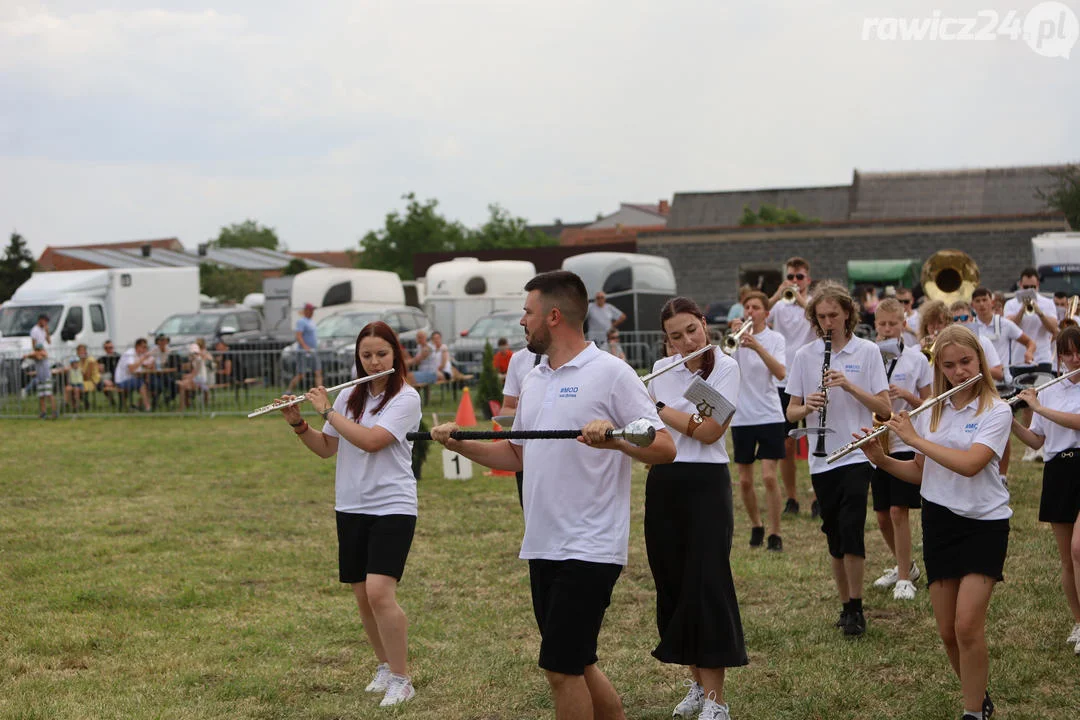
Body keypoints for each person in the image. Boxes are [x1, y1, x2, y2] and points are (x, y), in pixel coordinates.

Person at [430, 270, 676, 720]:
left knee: (560, 670)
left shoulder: (612, 374)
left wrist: (616, 439)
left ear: (554, 316)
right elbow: (517, 454)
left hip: (590, 547)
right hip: (543, 544)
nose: (522, 322)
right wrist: (460, 443)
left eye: (527, 312)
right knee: (577, 662)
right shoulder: (535, 377)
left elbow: (664, 447)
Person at [862, 325, 1010, 720]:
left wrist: (912, 438)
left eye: (966, 362)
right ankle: (978, 697)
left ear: (978, 359)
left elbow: (970, 464)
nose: (960, 371)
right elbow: (920, 472)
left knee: (966, 626)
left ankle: (971, 713)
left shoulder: (997, 409)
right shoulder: (932, 411)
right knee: (947, 632)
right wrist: (882, 460)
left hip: (984, 524)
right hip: (939, 521)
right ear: (939, 369)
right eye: (950, 365)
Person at [278, 320, 422, 707]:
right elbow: (328, 448)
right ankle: (384, 666)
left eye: (382, 354)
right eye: (367, 355)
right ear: (358, 358)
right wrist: (299, 424)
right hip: (351, 505)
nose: (374, 362)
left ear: (395, 355)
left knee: (379, 592)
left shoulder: (405, 398)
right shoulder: (350, 398)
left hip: (392, 504)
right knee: (361, 594)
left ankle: (402, 678)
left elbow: (373, 442)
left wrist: (327, 411)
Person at [646, 297, 746, 720]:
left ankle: (716, 700)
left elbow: (709, 433)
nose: (686, 341)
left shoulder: (726, 367)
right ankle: (696, 683)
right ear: (666, 340)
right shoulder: (658, 372)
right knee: (673, 583)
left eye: (692, 330)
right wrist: (669, 414)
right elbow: (659, 430)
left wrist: (659, 409)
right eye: (675, 336)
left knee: (706, 584)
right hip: (665, 481)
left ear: (704, 324)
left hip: (706, 484)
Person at [785, 281, 891, 636]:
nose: (828, 321)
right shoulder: (805, 356)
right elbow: (790, 412)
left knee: (851, 528)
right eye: (821, 316)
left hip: (858, 453)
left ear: (848, 313)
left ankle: (858, 607)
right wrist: (807, 406)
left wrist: (849, 386)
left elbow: (885, 409)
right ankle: (845, 605)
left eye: (834, 314)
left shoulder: (868, 352)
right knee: (834, 534)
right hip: (822, 456)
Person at [1009, 325, 1080, 656]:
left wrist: (1037, 407)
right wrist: (1009, 419)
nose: (1074, 359)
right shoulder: (1050, 389)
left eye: (1078, 352)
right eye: (1067, 353)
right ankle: (1078, 622)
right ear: (1059, 356)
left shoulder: (1045, 399)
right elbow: (1038, 440)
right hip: (1058, 471)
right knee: (1067, 559)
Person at [868, 298, 932, 600]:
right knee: (881, 514)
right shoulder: (870, 355)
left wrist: (907, 395)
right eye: (881, 324)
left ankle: (905, 578)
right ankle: (904, 564)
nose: (887, 329)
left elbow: (931, 403)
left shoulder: (917, 359)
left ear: (904, 324)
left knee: (898, 510)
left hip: (905, 439)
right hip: (877, 438)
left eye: (893, 323)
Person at [728, 291, 787, 551]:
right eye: (747, 307)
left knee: (770, 477)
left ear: (766, 312)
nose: (750, 311)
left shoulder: (775, 339)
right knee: (745, 481)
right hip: (741, 417)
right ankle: (756, 524)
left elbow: (780, 372)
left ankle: (775, 532)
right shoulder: (736, 341)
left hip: (769, 415)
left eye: (755, 307)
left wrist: (758, 346)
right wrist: (734, 340)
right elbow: (724, 369)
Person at [768, 256, 819, 517]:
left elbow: (819, 321)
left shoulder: (812, 304)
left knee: (815, 439)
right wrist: (778, 293)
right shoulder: (779, 306)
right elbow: (758, 314)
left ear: (808, 279)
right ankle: (791, 498)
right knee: (787, 443)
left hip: (810, 379)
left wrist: (800, 298)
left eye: (799, 277)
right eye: (791, 277)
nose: (795, 282)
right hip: (783, 381)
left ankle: (818, 494)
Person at [287, 303, 323, 392]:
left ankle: (321, 391)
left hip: (313, 351)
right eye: (311, 310)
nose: (312, 312)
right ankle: (289, 390)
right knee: (301, 374)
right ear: (306, 310)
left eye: (313, 310)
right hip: (303, 351)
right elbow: (298, 336)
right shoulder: (301, 321)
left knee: (318, 371)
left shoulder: (312, 321)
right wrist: (305, 347)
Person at [114, 338, 153, 412]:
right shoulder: (130, 353)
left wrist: (148, 363)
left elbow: (142, 368)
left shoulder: (139, 355)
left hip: (131, 378)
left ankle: (137, 405)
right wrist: (143, 359)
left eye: (146, 347)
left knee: (150, 384)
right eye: (143, 347)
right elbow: (131, 369)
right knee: (140, 383)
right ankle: (148, 407)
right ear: (137, 346)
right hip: (122, 380)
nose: (145, 349)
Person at [177, 338, 215, 411]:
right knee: (184, 382)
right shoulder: (198, 358)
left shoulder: (201, 358)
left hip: (202, 379)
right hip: (200, 378)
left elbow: (196, 372)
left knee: (183, 384)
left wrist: (189, 378)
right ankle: (186, 404)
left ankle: (182, 407)